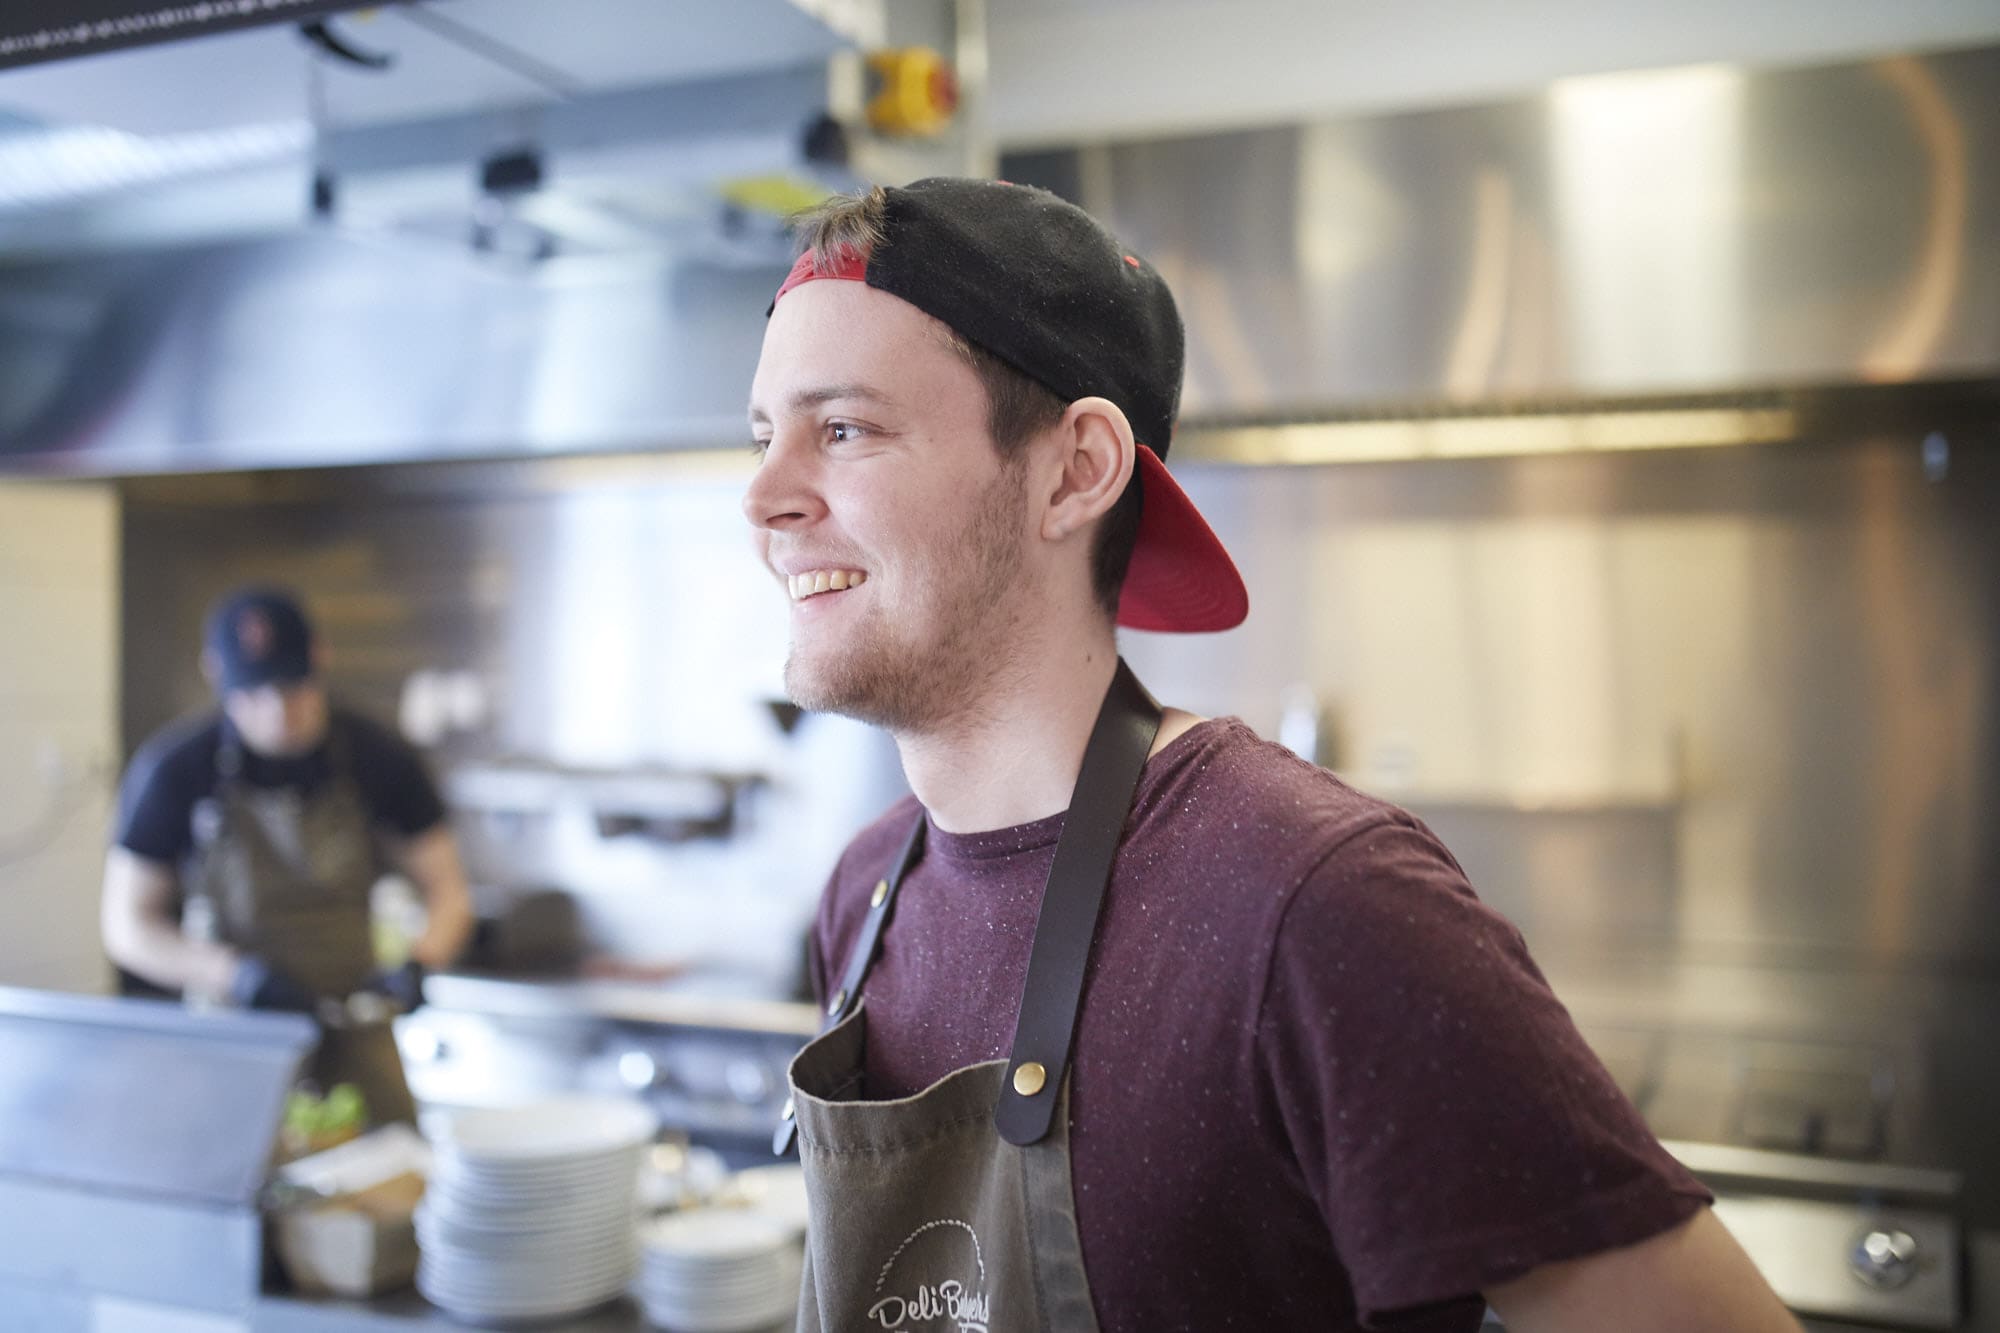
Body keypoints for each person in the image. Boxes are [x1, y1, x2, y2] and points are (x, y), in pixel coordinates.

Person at [744, 178, 1801, 1332]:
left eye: (842, 429)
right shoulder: (865, 892)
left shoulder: (1320, 905)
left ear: (1076, 469)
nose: (762, 496)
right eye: (762, 436)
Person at [101, 585, 474, 1126]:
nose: (278, 711)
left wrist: (420, 962)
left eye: (293, 686)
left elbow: (448, 891)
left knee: (392, 1154)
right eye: (255, 693)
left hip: (354, 1020)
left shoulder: (379, 758)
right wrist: (236, 977)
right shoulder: (176, 770)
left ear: (319, 657)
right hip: (232, 1031)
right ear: (215, 674)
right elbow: (127, 926)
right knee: (232, 1155)